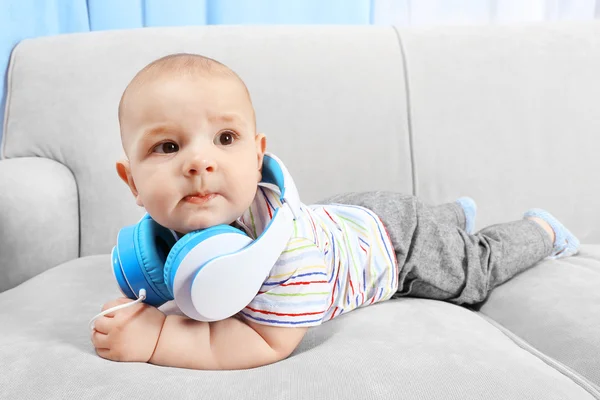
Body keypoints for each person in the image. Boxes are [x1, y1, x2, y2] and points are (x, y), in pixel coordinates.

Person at [90, 53, 579, 370]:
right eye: (168, 145)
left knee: (472, 271)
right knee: (431, 224)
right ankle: (453, 215)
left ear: (257, 156)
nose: (200, 162)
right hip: (350, 213)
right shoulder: (171, 237)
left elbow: (266, 342)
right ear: (131, 180)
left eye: (225, 138)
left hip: (395, 245)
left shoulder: (287, 253)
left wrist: (156, 340)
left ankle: (539, 231)